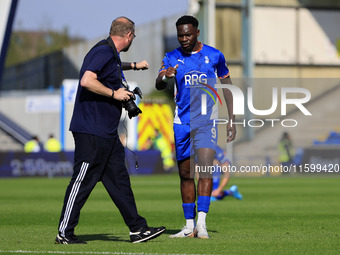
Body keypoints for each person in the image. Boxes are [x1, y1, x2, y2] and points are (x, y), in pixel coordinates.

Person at [55, 17, 165, 245]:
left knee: (120, 181)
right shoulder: (103, 51)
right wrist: (115, 94)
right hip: (92, 131)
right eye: (133, 36)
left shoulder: (110, 55)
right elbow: (87, 80)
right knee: (82, 181)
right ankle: (64, 233)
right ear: (129, 35)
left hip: (106, 133)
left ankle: (138, 229)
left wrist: (134, 66)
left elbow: (110, 67)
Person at [155, 15, 236, 239]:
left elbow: (228, 87)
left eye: (188, 34)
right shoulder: (171, 57)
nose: (184, 38)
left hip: (206, 121)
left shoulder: (214, 55)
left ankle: (202, 223)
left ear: (197, 32)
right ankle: (189, 226)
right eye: (180, 35)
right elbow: (158, 83)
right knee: (185, 173)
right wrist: (165, 76)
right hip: (182, 122)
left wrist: (232, 118)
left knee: (206, 169)